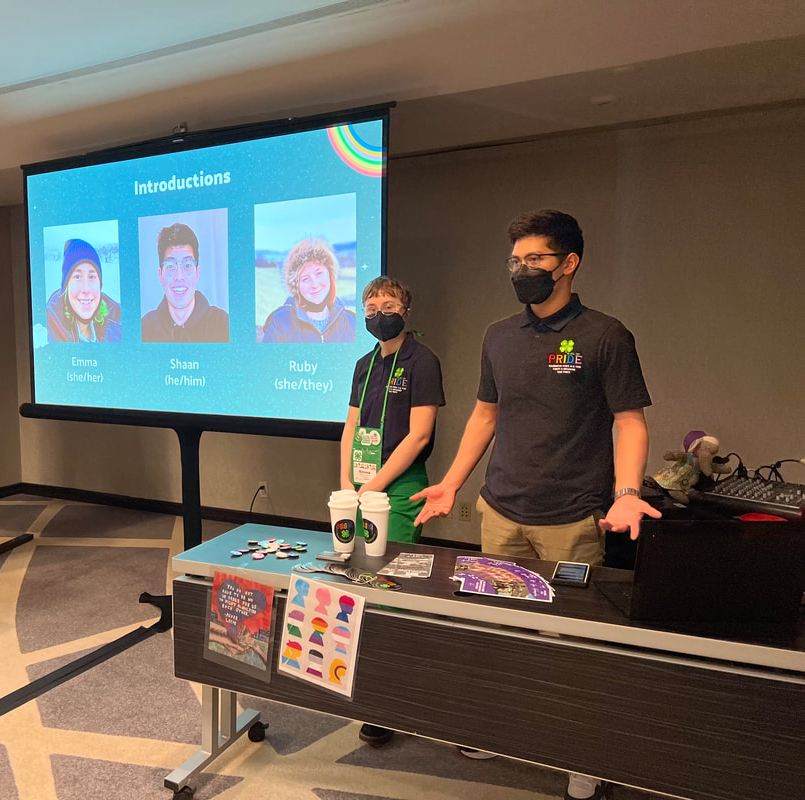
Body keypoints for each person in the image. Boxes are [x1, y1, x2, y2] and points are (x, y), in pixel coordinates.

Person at [413, 209, 660, 800]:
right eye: (516, 262)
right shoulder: (499, 335)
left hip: (572, 517)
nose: (523, 271)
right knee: (497, 624)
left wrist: (627, 494)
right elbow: (484, 416)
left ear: (569, 263)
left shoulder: (605, 335)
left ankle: (579, 749)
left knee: (574, 640)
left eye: (536, 260)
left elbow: (629, 422)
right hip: (500, 510)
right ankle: (498, 723)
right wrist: (451, 483)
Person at [340, 276, 444, 748]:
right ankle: (362, 681)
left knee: (387, 587)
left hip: (398, 489)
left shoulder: (423, 362)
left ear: (406, 310)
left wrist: (375, 486)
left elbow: (419, 435)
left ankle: (389, 702)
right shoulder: (363, 364)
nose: (379, 311)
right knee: (354, 581)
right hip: (359, 488)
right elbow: (350, 428)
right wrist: (347, 482)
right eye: (370, 304)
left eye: (389, 303)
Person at [141, 222, 229, 342]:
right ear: (160, 275)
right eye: (170, 266)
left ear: (197, 273)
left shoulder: (222, 324)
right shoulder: (145, 327)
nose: (179, 276)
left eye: (187, 265)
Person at [261, 238, 356, 342]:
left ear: (330, 275)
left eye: (319, 273)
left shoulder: (351, 322)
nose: (314, 284)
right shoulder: (279, 322)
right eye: (305, 279)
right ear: (297, 286)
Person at [46, 238, 122, 342]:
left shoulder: (118, 320)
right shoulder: (45, 331)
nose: (86, 289)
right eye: (77, 277)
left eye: (91, 277)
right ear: (66, 286)